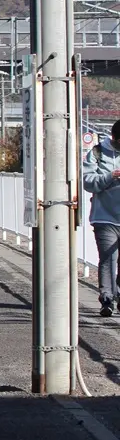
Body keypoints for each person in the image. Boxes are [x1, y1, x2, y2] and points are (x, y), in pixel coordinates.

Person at [83, 120, 120, 317]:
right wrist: (110, 176)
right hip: (104, 217)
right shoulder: (98, 153)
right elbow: (88, 182)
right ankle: (107, 299)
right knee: (108, 258)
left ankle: (118, 294)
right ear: (114, 138)